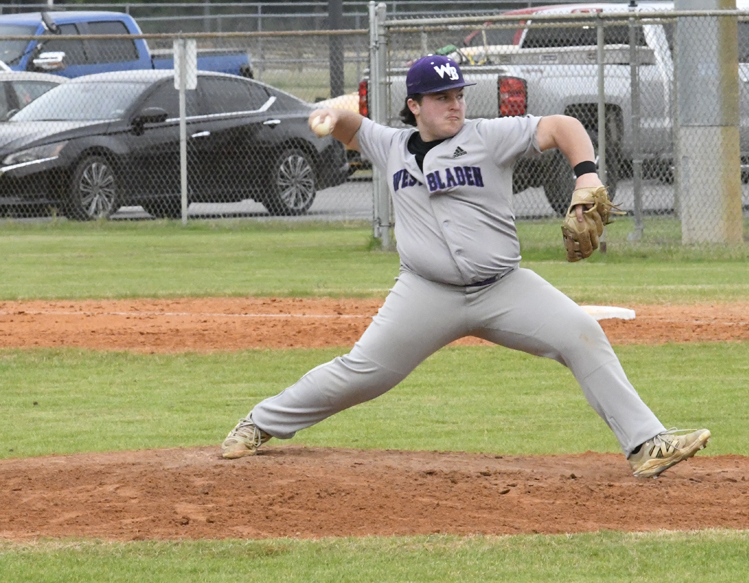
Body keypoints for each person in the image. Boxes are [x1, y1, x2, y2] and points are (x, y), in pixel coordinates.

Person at [222, 55, 711, 478]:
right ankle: (260, 423)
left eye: (457, 93)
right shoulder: (391, 145)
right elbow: (353, 130)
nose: (454, 103)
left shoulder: (490, 136)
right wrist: (332, 112)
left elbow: (564, 126)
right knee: (362, 374)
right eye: (440, 96)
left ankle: (646, 444)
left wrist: (586, 175)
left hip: (504, 288)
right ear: (415, 105)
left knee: (581, 334)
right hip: (425, 293)